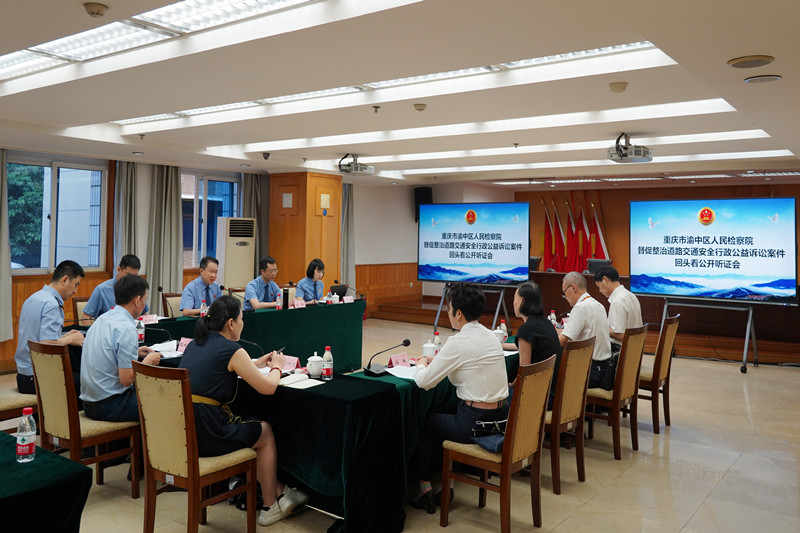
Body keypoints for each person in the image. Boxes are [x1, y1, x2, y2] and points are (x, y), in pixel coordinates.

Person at [179, 295, 309, 526]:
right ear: (231, 323)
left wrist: (254, 364)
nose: (243, 323)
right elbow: (268, 388)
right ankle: (270, 506)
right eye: (241, 318)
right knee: (265, 432)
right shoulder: (232, 349)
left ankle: (282, 493)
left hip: (185, 431)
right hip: (208, 431)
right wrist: (277, 368)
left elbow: (220, 366)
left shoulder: (195, 343)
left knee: (250, 426)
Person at [409, 282, 509, 513]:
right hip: (501, 419)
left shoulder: (458, 341)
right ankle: (448, 482)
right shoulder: (490, 335)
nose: (448, 312)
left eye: (449, 308)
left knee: (425, 422)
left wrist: (422, 363)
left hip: (474, 424)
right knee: (447, 411)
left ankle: (425, 488)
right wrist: (438, 361)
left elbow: (424, 382)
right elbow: (467, 362)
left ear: (459, 313)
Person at [80, 274, 161, 422]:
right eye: (145, 299)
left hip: (88, 403)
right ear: (137, 300)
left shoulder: (101, 319)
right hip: (110, 405)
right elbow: (127, 380)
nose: (145, 304)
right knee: (166, 403)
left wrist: (134, 352)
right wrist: (147, 362)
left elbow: (106, 350)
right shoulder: (126, 328)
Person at [14, 260, 86, 394]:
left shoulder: (34, 297)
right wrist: (70, 339)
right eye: (76, 285)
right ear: (65, 280)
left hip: (24, 376)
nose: (75, 291)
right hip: (37, 378)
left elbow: (37, 337)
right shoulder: (52, 304)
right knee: (87, 383)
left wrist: (64, 336)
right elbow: (47, 344)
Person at [501, 281, 562, 407]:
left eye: (514, 299)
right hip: (554, 393)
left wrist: (512, 384)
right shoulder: (546, 323)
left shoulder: (526, 329)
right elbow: (526, 346)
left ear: (522, 301)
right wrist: (501, 345)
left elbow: (524, 373)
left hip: (538, 398)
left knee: (496, 394)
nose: (513, 303)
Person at [558, 271, 613, 390]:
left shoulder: (580, 307)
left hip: (590, 371)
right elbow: (573, 332)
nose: (565, 297)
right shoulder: (598, 305)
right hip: (604, 369)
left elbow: (561, 341)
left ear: (573, 287)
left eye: (564, 292)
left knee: (550, 375)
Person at [82, 254, 149, 322]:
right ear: (119, 269)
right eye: (128, 275)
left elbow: (144, 314)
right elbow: (86, 317)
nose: (131, 279)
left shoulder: (137, 288)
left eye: (134, 276)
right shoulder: (102, 290)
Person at [593, 266, 643, 352]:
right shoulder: (631, 295)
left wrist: (601, 327)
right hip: (634, 350)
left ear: (605, 280)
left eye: (599, 286)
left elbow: (621, 335)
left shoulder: (618, 301)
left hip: (619, 352)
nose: (600, 291)